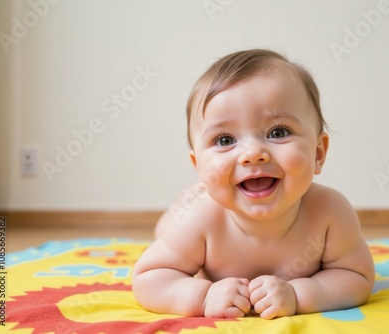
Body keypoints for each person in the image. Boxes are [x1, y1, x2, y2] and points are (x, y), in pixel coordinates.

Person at [132, 49, 375, 320]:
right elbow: (149, 278)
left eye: (278, 132)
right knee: (169, 227)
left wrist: (299, 294)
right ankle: (178, 208)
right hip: (191, 212)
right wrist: (203, 296)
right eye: (225, 140)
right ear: (199, 166)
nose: (252, 153)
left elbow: (356, 276)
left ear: (318, 153)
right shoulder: (198, 219)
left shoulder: (330, 212)